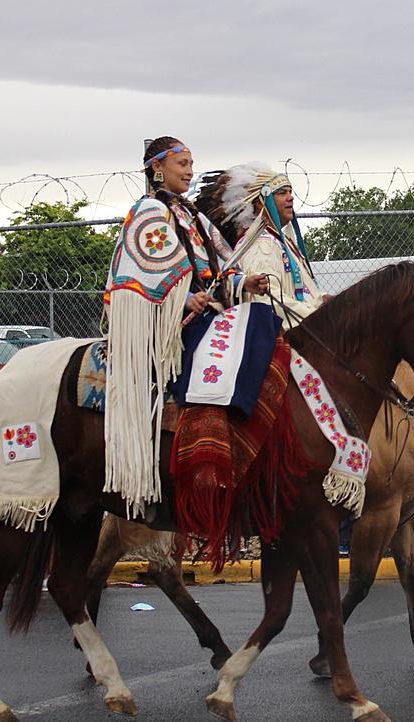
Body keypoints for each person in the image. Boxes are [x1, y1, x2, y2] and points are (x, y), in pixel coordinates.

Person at [102, 138, 270, 516]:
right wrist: (182, 301)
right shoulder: (149, 214)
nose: (190, 170)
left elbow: (218, 267)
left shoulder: (189, 214)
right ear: (158, 167)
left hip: (204, 312)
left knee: (262, 319)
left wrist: (245, 283)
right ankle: (208, 446)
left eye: (192, 163)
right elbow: (142, 280)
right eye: (182, 163)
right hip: (172, 327)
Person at [195, 161, 327, 330]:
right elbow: (266, 301)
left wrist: (323, 301)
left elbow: (303, 292)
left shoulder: (281, 241)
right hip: (286, 342)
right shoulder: (259, 245)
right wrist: (315, 319)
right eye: (281, 193)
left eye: (290, 191)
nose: (290, 197)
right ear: (260, 203)